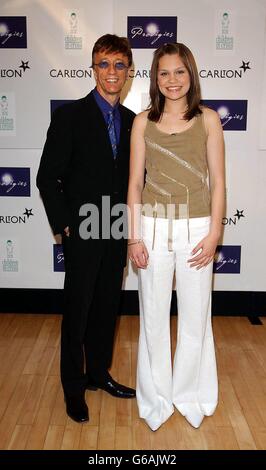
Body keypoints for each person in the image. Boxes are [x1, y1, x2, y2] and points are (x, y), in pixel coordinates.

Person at [37, 34, 136, 423]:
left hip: (116, 230)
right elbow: (48, 178)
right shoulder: (69, 116)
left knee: (107, 308)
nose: (111, 72)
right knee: (76, 312)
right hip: (82, 231)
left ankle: (98, 374)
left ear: (129, 71)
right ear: (93, 68)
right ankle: (73, 388)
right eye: (104, 64)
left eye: (119, 65)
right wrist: (66, 226)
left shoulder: (133, 122)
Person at [127, 42, 225, 430]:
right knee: (152, 317)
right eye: (164, 73)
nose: (172, 80)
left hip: (198, 228)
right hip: (151, 227)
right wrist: (133, 237)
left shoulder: (209, 119)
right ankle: (155, 399)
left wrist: (215, 232)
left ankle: (190, 395)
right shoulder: (141, 122)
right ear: (155, 78)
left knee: (195, 317)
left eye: (179, 72)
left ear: (191, 74)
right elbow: (135, 183)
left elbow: (218, 182)